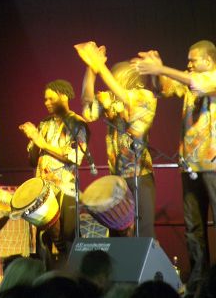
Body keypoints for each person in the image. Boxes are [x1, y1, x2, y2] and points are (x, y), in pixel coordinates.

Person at [134, 40, 216, 298]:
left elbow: (197, 84)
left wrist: (162, 67)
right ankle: (199, 280)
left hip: (213, 164)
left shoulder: (211, 77)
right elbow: (164, 89)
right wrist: (157, 74)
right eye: (188, 60)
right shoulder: (188, 79)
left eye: (194, 60)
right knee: (194, 227)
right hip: (189, 164)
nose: (189, 64)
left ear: (209, 61)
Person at [76, 41, 157, 238]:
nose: (110, 80)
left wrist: (100, 65)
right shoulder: (111, 99)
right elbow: (88, 109)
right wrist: (91, 70)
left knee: (143, 231)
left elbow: (127, 100)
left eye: (115, 77)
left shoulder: (144, 95)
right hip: (118, 175)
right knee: (117, 233)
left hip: (140, 176)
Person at [19, 79, 89, 268]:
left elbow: (74, 156)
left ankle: (76, 275)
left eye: (51, 98)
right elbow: (32, 160)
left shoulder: (77, 123)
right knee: (46, 238)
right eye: (45, 99)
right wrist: (33, 141)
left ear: (64, 96)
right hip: (44, 189)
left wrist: (42, 144)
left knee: (68, 236)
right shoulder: (44, 123)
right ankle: (48, 275)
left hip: (65, 187)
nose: (46, 102)